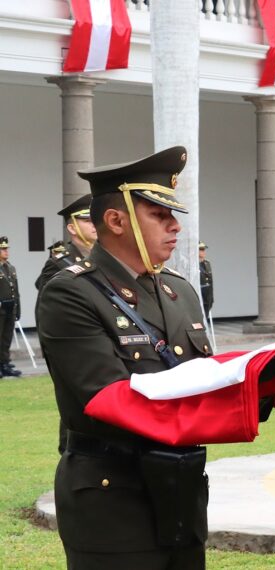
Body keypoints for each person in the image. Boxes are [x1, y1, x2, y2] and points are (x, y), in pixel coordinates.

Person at [36, 146, 216, 568]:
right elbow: (106, 399)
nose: (175, 226)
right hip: (112, 497)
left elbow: (203, 376)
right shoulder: (71, 292)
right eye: (159, 214)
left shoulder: (179, 290)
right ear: (116, 220)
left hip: (181, 491)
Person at [36, 194, 95, 290]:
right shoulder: (59, 263)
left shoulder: (104, 257)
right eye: (88, 220)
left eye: (96, 219)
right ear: (72, 228)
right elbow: (48, 301)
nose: (95, 224)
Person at [0, 236, 21, 378]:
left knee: (6, 338)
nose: (6, 251)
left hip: (10, 308)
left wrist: (18, 309)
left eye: (7, 249)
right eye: (3, 249)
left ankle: (4, 363)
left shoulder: (10, 267)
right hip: (0, 308)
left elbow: (16, 291)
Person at [198, 241, 214, 315]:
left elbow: (210, 282)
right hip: (199, 296)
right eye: (201, 249)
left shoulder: (207, 263)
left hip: (208, 298)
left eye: (204, 249)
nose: (203, 251)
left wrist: (211, 298)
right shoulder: (193, 265)